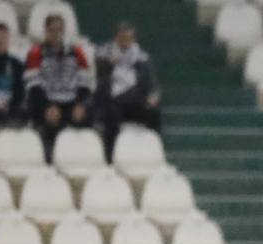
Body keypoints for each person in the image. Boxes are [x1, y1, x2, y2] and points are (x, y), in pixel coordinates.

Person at [23, 13, 93, 161]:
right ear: (46, 31)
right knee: (47, 120)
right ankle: (50, 159)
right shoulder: (35, 53)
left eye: (59, 30)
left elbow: (85, 83)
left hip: (71, 102)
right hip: (46, 102)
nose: (56, 34)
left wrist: (80, 104)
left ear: (64, 31)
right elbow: (33, 86)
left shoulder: (77, 53)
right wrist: (47, 106)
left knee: (89, 116)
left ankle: (83, 158)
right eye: (52, 30)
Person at [95, 22, 161, 161]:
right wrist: (109, 65)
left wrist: (153, 96)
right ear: (116, 38)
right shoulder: (104, 54)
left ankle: (154, 152)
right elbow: (100, 80)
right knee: (111, 114)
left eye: (129, 38)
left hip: (135, 101)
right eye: (122, 38)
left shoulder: (142, 57)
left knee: (154, 114)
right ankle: (110, 157)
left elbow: (152, 84)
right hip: (113, 101)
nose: (126, 42)